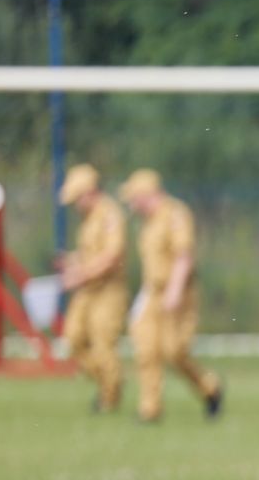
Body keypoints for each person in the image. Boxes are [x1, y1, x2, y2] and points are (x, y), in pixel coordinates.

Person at [121, 169, 223, 423]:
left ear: (147, 194)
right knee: (146, 349)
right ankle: (150, 409)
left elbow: (183, 256)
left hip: (178, 293)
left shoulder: (175, 214)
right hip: (153, 294)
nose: (132, 204)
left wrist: (175, 291)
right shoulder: (147, 223)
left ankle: (210, 388)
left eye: (135, 198)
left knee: (174, 352)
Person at [56, 165, 128, 414]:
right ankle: (110, 380)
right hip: (88, 289)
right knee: (73, 339)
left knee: (102, 342)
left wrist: (79, 275)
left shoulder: (110, 215)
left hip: (108, 290)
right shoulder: (88, 220)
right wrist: (72, 261)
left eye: (77, 199)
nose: (76, 205)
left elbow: (111, 256)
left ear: (89, 192)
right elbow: (92, 255)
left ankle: (109, 399)